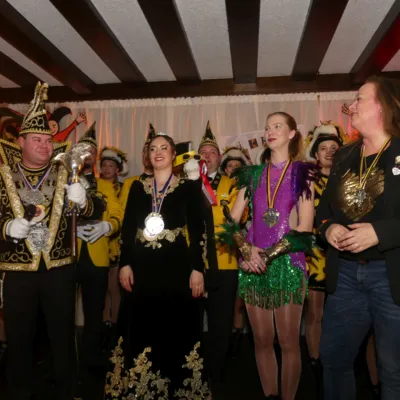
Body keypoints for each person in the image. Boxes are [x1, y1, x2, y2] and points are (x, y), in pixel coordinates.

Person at [0, 82, 105, 400]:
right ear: (21, 141)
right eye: (37, 139)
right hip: (17, 271)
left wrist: (83, 200)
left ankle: (67, 392)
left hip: (59, 270)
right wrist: (6, 228)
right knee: (19, 341)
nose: (45, 146)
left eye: (48, 140)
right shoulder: (3, 176)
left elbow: (96, 207)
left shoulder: (66, 173)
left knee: (62, 339)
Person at [105, 133, 211, 399]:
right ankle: (141, 389)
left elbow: (198, 231)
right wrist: (125, 264)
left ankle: (177, 389)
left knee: (175, 328)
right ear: (147, 156)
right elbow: (128, 228)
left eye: (164, 148)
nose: (158, 152)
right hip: (141, 269)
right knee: (141, 326)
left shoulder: (188, 187)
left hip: (177, 269)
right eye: (153, 149)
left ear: (174, 155)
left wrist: (197, 269)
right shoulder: (137, 187)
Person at [316, 75, 400, 400]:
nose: (351, 106)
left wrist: (380, 232)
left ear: (382, 106)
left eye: (360, 98)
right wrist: (328, 228)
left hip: (389, 277)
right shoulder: (344, 156)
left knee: (393, 370)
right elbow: (324, 210)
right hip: (346, 275)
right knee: (334, 360)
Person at [227, 112, 315, 400]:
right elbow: (231, 221)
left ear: (291, 134)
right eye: (267, 127)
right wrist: (246, 248)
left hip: (288, 264)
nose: (270, 131)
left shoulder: (302, 173)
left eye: (277, 126)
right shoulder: (251, 175)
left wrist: (268, 255)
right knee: (262, 340)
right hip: (252, 264)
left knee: (288, 341)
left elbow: (304, 228)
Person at [74, 125, 123, 399]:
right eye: (83, 150)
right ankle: (68, 360)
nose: (88, 155)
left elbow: (117, 214)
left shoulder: (105, 185)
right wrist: (70, 231)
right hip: (67, 256)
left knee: (94, 311)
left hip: (97, 254)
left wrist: (108, 227)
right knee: (63, 310)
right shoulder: (63, 181)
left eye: (92, 151)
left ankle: (91, 359)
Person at [198, 122, 241, 393]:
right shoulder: (186, 184)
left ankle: (218, 371)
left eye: (211, 152)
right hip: (193, 264)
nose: (207, 156)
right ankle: (193, 370)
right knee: (191, 320)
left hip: (224, 262)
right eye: (202, 152)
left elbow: (238, 217)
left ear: (219, 157)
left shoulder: (231, 184)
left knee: (221, 321)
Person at [304, 122, 345, 394]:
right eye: (324, 148)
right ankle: (315, 362)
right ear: (315, 154)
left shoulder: (349, 179)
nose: (329, 152)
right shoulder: (308, 182)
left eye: (334, 148)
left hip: (347, 255)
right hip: (316, 255)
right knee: (315, 313)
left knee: (344, 315)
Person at [220, 146, 251, 358]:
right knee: (234, 299)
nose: (232, 169)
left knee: (246, 297)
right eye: (229, 165)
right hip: (228, 250)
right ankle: (234, 339)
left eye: (236, 166)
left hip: (250, 246)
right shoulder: (219, 188)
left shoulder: (251, 187)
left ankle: (245, 339)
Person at [99, 146, 129, 345]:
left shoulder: (124, 187)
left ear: (118, 169)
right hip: (100, 240)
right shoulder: (95, 185)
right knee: (101, 288)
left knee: (115, 287)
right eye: (104, 165)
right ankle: (104, 325)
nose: (107, 168)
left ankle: (116, 327)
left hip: (119, 241)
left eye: (111, 165)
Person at [118, 123, 155, 211]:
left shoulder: (167, 182)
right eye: (145, 151)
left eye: (151, 151)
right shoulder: (129, 183)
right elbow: (121, 212)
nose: (147, 155)